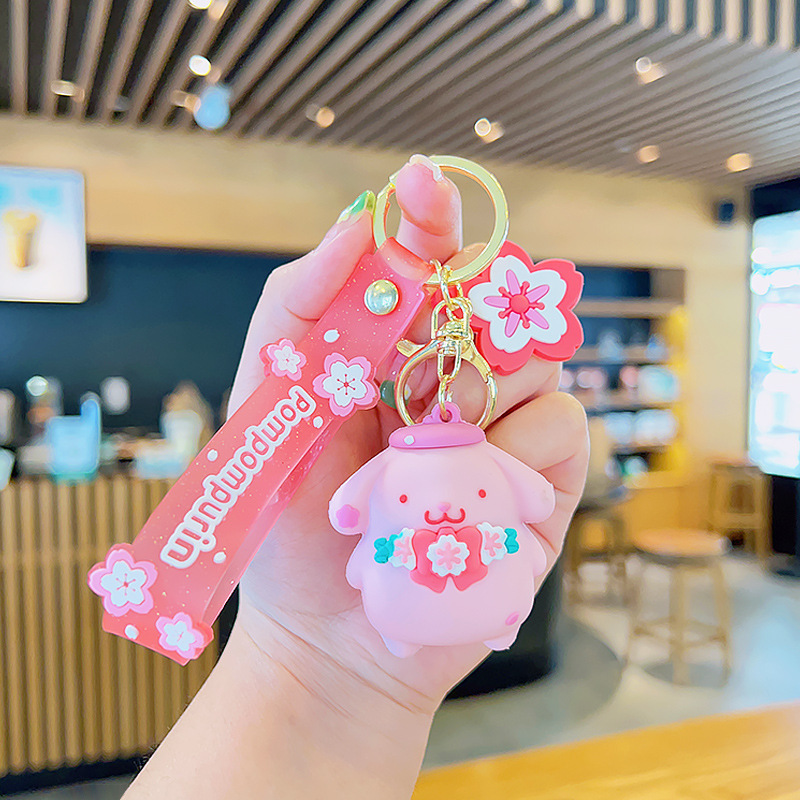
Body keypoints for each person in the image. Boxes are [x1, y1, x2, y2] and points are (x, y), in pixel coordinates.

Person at [125, 155, 589, 799]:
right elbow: (350, 506)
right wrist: (307, 656)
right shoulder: (386, 473)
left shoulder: (441, 467)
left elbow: (522, 494)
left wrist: (341, 687)